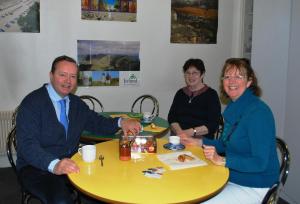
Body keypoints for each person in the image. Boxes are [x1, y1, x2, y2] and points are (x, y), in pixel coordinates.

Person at [16, 55, 141, 204]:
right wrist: (54, 164)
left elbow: (97, 122)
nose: (68, 81)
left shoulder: (76, 103)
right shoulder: (32, 103)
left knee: (109, 187)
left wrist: (122, 122)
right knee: (62, 201)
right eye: (62, 75)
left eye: (73, 76)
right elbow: (27, 145)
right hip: (37, 168)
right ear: (51, 75)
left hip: (72, 163)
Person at [181, 58, 280, 203]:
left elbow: (259, 163)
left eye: (238, 76)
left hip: (255, 185)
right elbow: (225, 144)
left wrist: (222, 160)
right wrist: (198, 142)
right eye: (227, 77)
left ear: (249, 82)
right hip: (232, 175)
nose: (231, 81)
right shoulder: (235, 107)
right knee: (190, 186)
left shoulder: (258, 113)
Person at [168, 58, 221, 139]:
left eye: (195, 73)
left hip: (201, 140)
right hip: (179, 137)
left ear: (202, 74)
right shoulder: (180, 93)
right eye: (187, 73)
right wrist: (180, 132)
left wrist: (190, 132)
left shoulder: (211, 95)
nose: (191, 76)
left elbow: (212, 125)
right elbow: (172, 117)